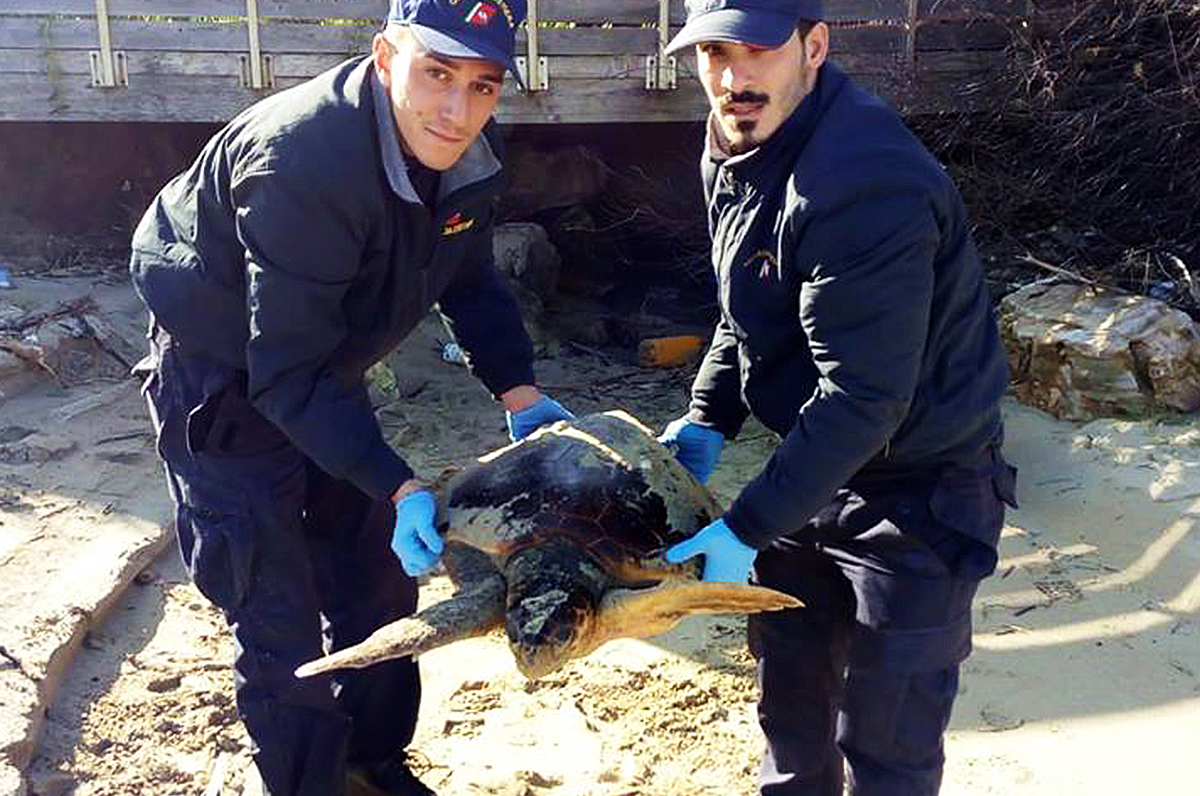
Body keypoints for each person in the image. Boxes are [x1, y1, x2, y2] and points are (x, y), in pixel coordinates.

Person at [128, 1, 572, 794]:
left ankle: (373, 763)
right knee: (275, 606)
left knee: (378, 579)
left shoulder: (470, 149)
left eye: (482, 85)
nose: (456, 109)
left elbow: (468, 276)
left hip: (320, 363)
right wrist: (399, 485)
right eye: (437, 73)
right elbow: (282, 373)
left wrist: (521, 393)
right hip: (221, 368)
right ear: (386, 56)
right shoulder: (299, 164)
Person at [656, 2, 1018, 794]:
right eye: (713, 52)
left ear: (814, 46)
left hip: (919, 493)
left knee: (885, 744)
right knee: (791, 714)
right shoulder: (737, 140)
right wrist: (709, 415)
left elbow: (865, 398)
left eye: (757, 49)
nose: (732, 76)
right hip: (813, 465)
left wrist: (747, 525)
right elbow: (749, 303)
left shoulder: (863, 181)